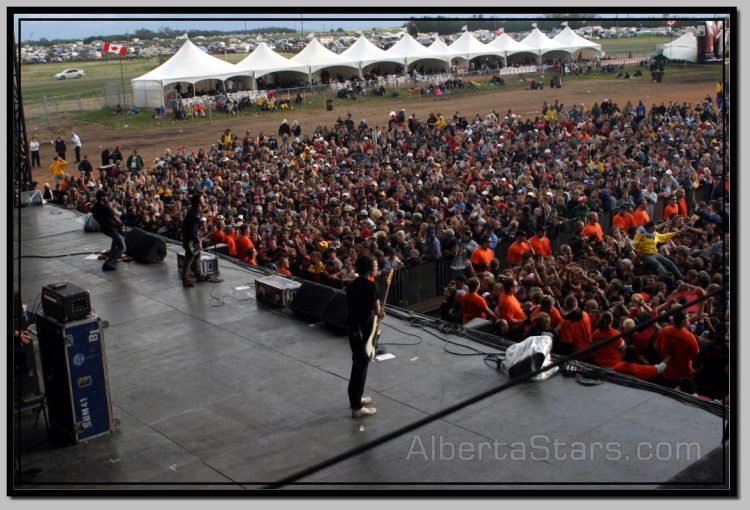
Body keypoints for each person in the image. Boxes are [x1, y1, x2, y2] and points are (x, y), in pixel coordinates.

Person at [345, 254, 381, 418]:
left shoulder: (351, 285)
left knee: (358, 363)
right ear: (369, 269)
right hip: (364, 330)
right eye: (375, 266)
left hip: (353, 328)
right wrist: (381, 313)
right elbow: (377, 312)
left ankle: (356, 398)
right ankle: (356, 407)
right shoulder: (371, 287)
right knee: (360, 366)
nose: (377, 268)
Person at [654, 310, 700, 388]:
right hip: (683, 376)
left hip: (667, 373)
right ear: (683, 322)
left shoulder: (664, 330)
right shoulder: (689, 337)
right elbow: (695, 356)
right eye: (687, 319)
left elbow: (657, 348)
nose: (689, 320)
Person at [91, 189, 125, 271]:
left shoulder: (94, 207)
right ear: (102, 198)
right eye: (106, 196)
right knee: (122, 247)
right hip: (112, 229)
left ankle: (113, 256)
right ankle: (108, 263)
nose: (107, 197)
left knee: (115, 240)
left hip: (104, 228)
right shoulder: (105, 207)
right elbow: (118, 220)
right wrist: (121, 224)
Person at [181, 193, 210, 287]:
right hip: (190, 239)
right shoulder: (196, 212)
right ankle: (185, 278)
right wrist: (198, 242)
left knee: (197, 256)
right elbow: (193, 229)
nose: (204, 199)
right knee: (189, 258)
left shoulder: (193, 209)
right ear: (198, 202)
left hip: (188, 236)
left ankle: (199, 274)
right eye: (202, 198)